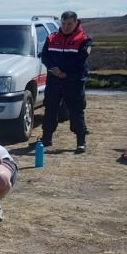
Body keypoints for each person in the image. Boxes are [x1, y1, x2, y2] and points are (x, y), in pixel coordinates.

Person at [41, 10, 93, 153]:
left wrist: (65, 72)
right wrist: (54, 69)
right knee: (50, 109)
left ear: (76, 22)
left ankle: (80, 142)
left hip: (73, 81)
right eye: (63, 23)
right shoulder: (51, 37)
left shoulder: (84, 39)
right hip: (54, 80)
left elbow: (80, 59)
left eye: (69, 24)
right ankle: (46, 139)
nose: (65, 26)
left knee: (76, 110)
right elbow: (44, 56)